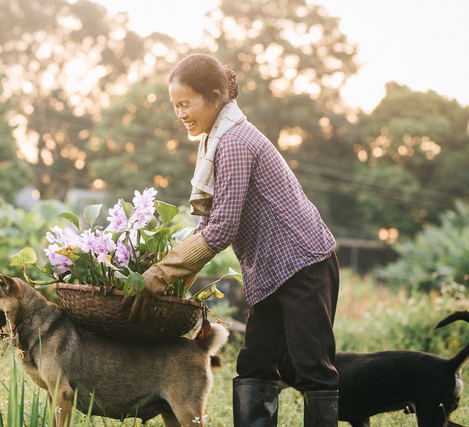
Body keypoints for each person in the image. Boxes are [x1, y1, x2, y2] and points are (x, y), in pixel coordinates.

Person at [138, 53, 340, 426]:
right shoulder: (216, 141)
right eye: (175, 106)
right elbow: (213, 223)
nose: (180, 113)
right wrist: (174, 270)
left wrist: (162, 272)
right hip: (270, 270)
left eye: (186, 103)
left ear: (215, 97)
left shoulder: (234, 142)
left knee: (312, 367)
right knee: (255, 364)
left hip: (304, 264)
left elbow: (222, 227)